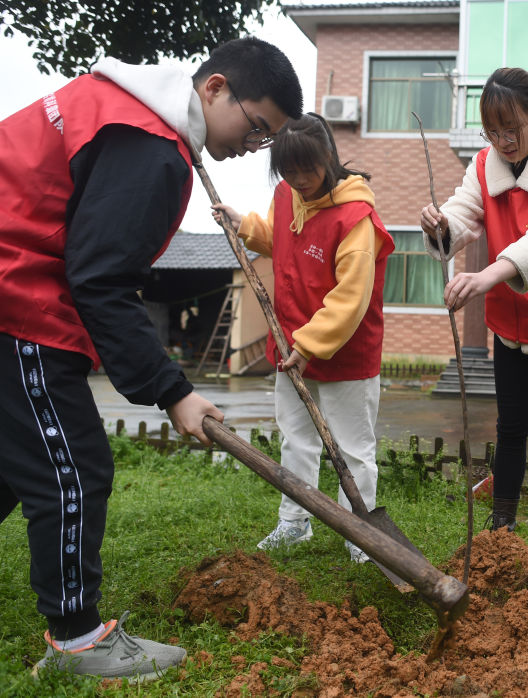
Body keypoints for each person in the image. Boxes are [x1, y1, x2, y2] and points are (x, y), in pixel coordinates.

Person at [0, 37, 303, 681]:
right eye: (255, 128)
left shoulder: (121, 106)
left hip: (14, 287)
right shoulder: (149, 144)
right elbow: (102, 278)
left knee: (17, 460)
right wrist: (173, 390)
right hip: (13, 293)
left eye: (264, 141)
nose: (254, 146)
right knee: (74, 471)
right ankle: (78, 641)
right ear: (215, 88)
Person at [419, 67, 528, 558]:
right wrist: (438, 225)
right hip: (511, 318)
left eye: (512, 130)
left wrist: (487, 276)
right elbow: (461, 213)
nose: (502, 142)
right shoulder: (483, 165)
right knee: (511, 427)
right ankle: (501, 533)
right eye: (492, 132)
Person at [212, 114, 393, 562]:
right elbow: (282, 241)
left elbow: (350, 297)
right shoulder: (287, 195)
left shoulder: (356, 217)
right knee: (296, 440)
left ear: (328, 157)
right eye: (288, 172)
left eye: (306, 171)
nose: (298, 181)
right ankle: (294, 523)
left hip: (343, 354)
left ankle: (360, 533)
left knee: (353, 449)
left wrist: (308, 345)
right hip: (290, 346)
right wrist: (244, 224)